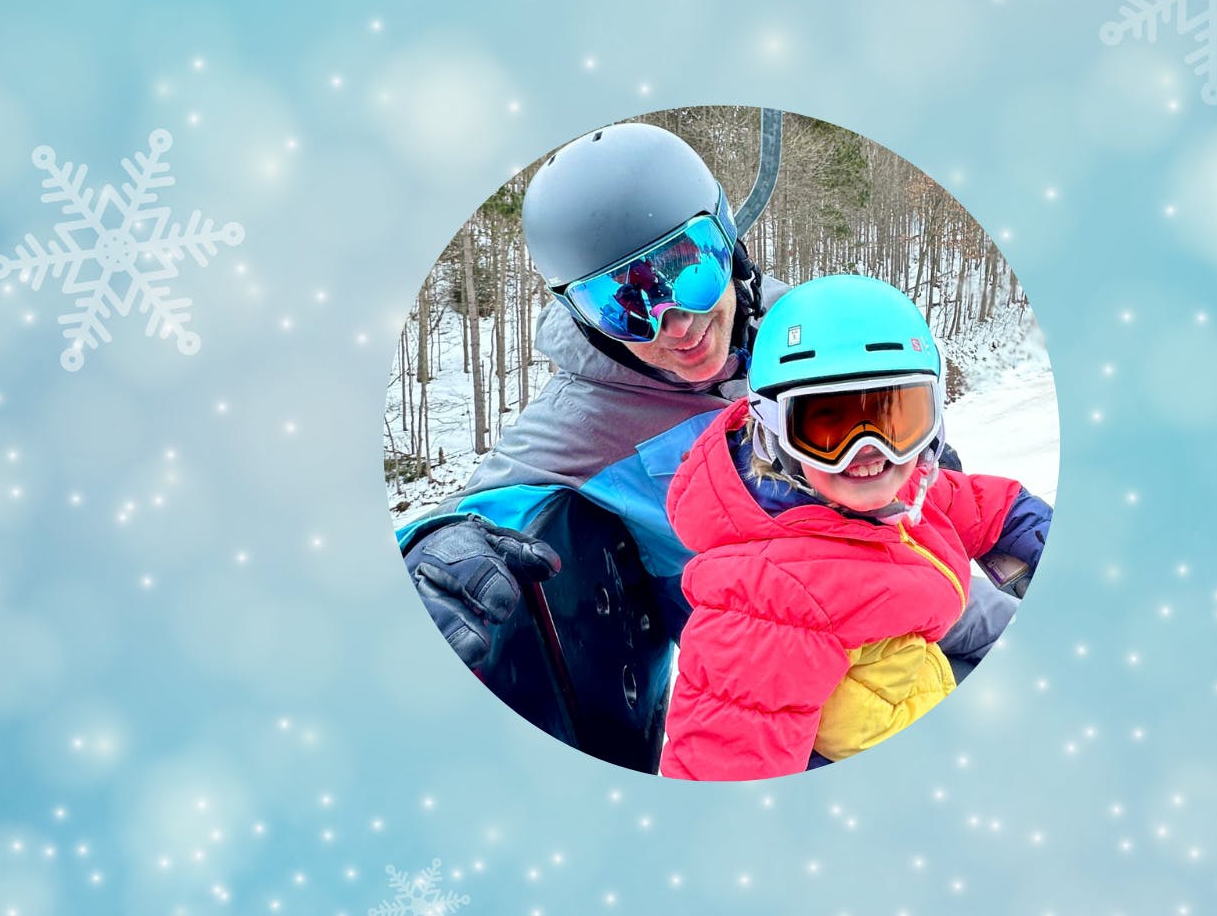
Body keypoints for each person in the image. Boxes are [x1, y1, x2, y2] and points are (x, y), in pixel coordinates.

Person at [400, 122, 1032, 749]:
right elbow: (481, 507)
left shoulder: (798, 328)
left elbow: (910, 438)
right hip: (780, 678)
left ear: (727, 240)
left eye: (687, 273)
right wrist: (440, 542)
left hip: (917, 590)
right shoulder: (588, 418)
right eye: (622, 306)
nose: (676, 325)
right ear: (579, 315)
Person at [658, 276, 1051, 781]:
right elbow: (722, 768)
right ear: (774, 430)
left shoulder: (888, 487)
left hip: (916, 656)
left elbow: (975, 504)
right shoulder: (763, 607)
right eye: (827, 426)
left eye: (896, 418)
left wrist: (1033, 527)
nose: (868, 453)